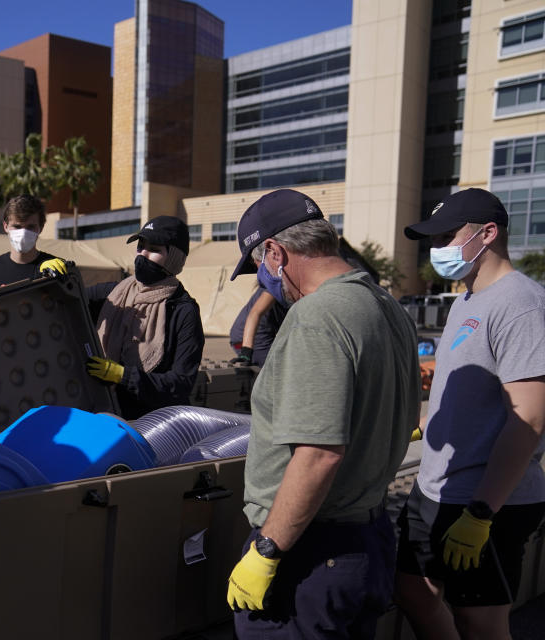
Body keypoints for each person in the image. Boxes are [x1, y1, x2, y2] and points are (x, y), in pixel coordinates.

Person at [224, 189, 420, 638]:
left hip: (310, 552)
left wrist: (267, 550)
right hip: (366, 539)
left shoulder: (317, 315)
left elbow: (317, 454)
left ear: (275, 251)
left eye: (259, 265)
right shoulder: (386, 305)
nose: (264, 278)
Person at [395, 189, 545, 640]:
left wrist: (482, 512)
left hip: (484, 499)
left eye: (446, 236)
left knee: (479, 620)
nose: (437, 249)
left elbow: (530, 417)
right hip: (434, 487)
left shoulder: (522, 304)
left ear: (488, 233)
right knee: (413, 590)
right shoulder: (465, 300)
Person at [85, 215, 204, 420]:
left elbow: (181, 383)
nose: (143, 255)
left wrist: (123, 376)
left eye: (155, 250)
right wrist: (54, 270)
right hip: (107, 418)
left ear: (174, 257)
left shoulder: (184, 311)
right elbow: (71, 299)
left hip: (154, 423)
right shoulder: (115, 293)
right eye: (141, 246)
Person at [0, 195, 66, 292]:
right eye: (17, 226)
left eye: (30, 227)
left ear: (41, 228)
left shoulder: (55, 267)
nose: (23, 233)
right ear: (5, 226)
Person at [229, 248, 286, 366]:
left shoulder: (281, 278)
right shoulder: (275, 284)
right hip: (253, 338)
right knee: (283, 368)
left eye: (255, 261)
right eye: (254, 261)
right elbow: (255, 313)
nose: (255, 265)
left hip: (255, 334)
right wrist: (246, 352)